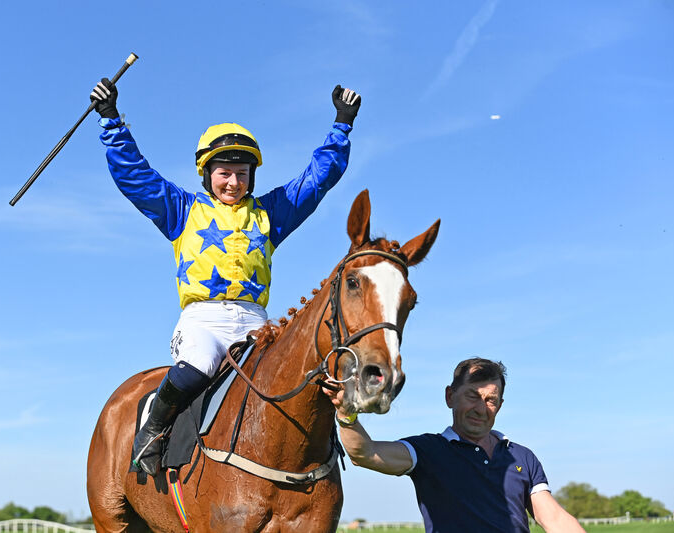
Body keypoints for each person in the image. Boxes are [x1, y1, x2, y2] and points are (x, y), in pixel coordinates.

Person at [90, 78, 362, 477]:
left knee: (295, 380)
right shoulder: (181, 209)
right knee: (196, 368)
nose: (233, 182)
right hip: (204, 321)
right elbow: (137, 177)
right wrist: (112, 120)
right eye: (224, 173)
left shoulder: (271, 213)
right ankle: (151, 433)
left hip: (256, 322)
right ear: (206, 173)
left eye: (242, 173)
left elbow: (316, 180)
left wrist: (341, 124)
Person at [325, 358, 585, 533]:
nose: (481, 408)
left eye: (491, 400)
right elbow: (366, 453)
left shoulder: (522, 457)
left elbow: (553, 519)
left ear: (500, 405)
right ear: (450, 396)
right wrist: (347, 415)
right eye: (472, 396)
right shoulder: (429, 450)